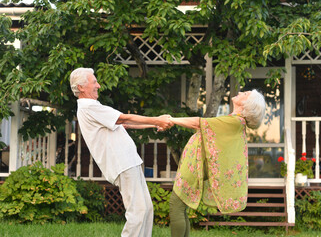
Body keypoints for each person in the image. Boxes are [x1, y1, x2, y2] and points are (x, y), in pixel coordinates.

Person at [69, 67, 173, 237]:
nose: (99, 85)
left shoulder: (94, 107)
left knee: (146, 208)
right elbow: (123, 118)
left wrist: (154, 124)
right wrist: (157, 119)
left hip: (129, 161)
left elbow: (123, 125)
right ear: (81, 87)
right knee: (137, 211)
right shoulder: (88, 107)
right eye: (94, 82)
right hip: (121, 163)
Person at [169, 89, 266, 237]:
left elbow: (198, 123)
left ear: (248, 104)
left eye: (245, 94)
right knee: (180, 207)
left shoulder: (235, 121)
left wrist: (171, 120)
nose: (240, 92)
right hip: (196, 164)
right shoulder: (234, 120)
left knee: (176, 205)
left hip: (197, 166)